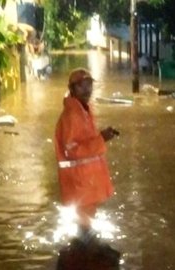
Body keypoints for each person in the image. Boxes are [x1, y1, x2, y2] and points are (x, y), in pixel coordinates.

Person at [54, 68, 119, 243]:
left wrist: (102, 137)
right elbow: (72, 150)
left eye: (89, 85)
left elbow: (84, 140)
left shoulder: (83, 110)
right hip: (80, 183)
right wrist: (101, 139)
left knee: (85, 228)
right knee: (85, 232)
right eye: (81, 86)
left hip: (85, 183)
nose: (87, 90)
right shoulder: (72, 114)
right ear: (72, 89)